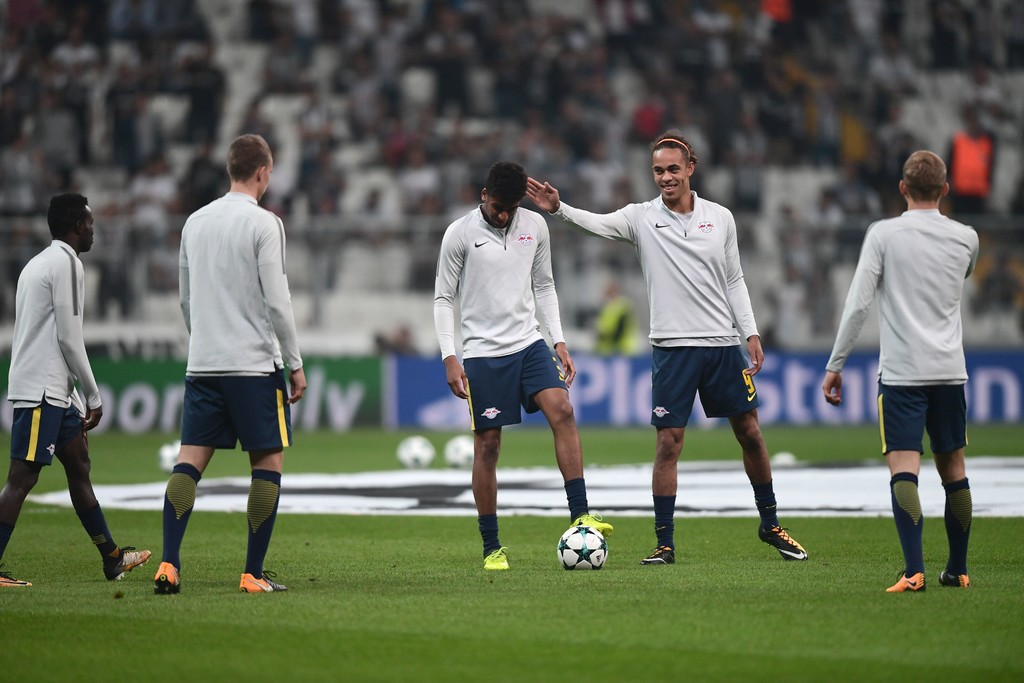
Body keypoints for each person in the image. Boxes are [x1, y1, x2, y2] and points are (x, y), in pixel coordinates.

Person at [527, 131, 807, 565]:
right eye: (658, 170)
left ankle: (770, 524)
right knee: (668, 444)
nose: (665, 177)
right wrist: (559, 209)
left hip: (720, 346)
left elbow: (734, 279)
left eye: (673, 169)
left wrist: (748, 332)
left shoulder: (721, 218)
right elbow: (597, 223)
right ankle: (665, 542)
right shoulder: (641, 218)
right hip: (673, 349)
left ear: (691, 168)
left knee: (750, 433)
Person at [433, 161, 613, 571]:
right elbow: (444, 298)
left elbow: (545, 285)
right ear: (483, 194)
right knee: (489, 444)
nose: (504, 214)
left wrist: (559, 340)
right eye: (498, 206)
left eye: (511, 207)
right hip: (482, 352)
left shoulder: (535, 226)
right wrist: (449, 356)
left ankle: (580, 515)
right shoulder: (458, 234)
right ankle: (491, 545)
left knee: (563, 410)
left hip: (529, 343)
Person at [154, 134, 307, 595]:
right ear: (263, 172)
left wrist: (204, 341)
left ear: (229, 169)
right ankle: (252, 573)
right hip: (253, 366)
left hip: (204, 363)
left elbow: (184, 299)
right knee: (268, 463)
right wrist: (294, 363)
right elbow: (277, 302)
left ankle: (168, 563)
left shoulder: (194, 223)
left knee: (189, 463)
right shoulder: (265, 224)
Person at [822, 150, 979, 593]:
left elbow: (857, 304)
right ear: (945, 190)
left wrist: (836, 365)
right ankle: (958, 569)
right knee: (955, 468)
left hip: (903, 374)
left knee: (904, 471)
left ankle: (914, 572)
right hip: (950, 371)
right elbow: (962, 277)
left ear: (903, 188)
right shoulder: (966, 237)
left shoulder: (884, 235)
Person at [1, 193, 151, 587]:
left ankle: (112, 558)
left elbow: (47, 335)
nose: (93, 229)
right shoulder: (67, 263)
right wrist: (93, 395)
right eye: (89, 222)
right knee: (22, 478)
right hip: (41, 390)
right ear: (75, 226)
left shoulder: (36, 264)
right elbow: (69, 337)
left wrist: (71, 397)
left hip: (55, 390)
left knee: (79, 465)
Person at [594, 280, 639, 356]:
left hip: (623, 349)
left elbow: (620, 330)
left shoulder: (623, 306)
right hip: (609, 350)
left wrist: (604, 335)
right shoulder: (607, 307)